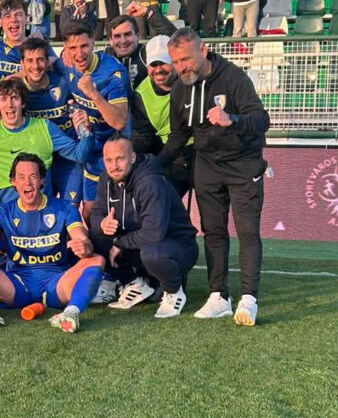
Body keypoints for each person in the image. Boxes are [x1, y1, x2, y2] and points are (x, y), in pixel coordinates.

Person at [159, 27, 270, 326]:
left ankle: (249, 299)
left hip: (243, 164)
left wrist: (231, 119)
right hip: (207, 166)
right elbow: (178, 136)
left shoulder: (233, 78)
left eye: (185, 59)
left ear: (203, 50)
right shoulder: (180, 88)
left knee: (247, 232)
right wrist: (155, 166)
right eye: (176, 62)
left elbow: (262, 120)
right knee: (213, 232)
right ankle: (219, 295)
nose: (181, 67)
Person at [0, 153, 104, 333]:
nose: (28, 183)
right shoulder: (3, 211)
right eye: (21, 177)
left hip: (56, 284)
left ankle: (70, 313)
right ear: (13, 181)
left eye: (33, 176)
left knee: (97, 260)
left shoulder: (63, 208)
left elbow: (82, 239)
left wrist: (84, 247)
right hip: (17, 285)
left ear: (42, 180)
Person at [89, 136, 198, 318]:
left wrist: (120, 242)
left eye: (120, 159)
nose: (114, 166)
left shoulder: (150, 182)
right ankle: (134, 283)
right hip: (138, 242)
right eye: (109, 160)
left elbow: (154, 233)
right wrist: (102, 223)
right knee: (93, 237)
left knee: (152, 253)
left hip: (177, 246)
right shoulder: (106, 179)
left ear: (132, 157)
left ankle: (173, 291)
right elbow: (96, 214)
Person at [0, 78, 93, 206]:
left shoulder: (45, 128)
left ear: (23, 103)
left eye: (15, 98)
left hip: (43, 211)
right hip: (8, 216)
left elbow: (79, 155)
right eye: (3, 99)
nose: (10, 105)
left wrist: (85, 131)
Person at [60, 22, 130, 218]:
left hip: (117, 148)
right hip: (92, 150)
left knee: (122, 212)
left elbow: (119, 121)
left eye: (84, 46)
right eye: (72, 48)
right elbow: (40, 65)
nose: (79, 53)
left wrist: (94, 94)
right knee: (89, 212)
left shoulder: (113, 72)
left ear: (93, 42)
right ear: (65, 48)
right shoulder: (66, 64)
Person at [16, 37, 80, 204]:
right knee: (40, 206)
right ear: (22, 64)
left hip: (68, 157)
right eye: (29, 61)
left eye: (40, 60)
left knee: (72, 207)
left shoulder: (64, 82)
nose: (35, 66)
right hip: (37, 159)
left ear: (47, 61)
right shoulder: (17, 91)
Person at [130, 36, 193, 197]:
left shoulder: (192, 80)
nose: (158, 70)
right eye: (153, 64)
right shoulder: (141, 94)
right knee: (157, 199)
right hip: (173, 158)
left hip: (203, 152)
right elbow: (142, 138)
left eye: (164, 63)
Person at [102, 15, 147, 88]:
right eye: (117, 36)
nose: (123, 41)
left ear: (137, 36)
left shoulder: (147, 55)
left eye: (127, 34)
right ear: (110, 40)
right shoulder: (102, 58)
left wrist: (149, 13)